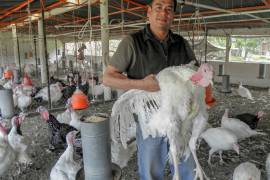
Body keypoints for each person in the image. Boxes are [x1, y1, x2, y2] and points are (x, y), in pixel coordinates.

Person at [103, 0, 197, 179]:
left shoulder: (181, 43)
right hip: (150, 120)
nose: (164, 13)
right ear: (148, 12)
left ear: (173, 15)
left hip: (181, 118)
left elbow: (194, 73)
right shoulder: (132, 42)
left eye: (169, 9)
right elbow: (107, 78)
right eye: (159, 7)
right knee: (151, 170)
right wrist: (142, 85)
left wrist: (204, 80)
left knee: (186, 165)